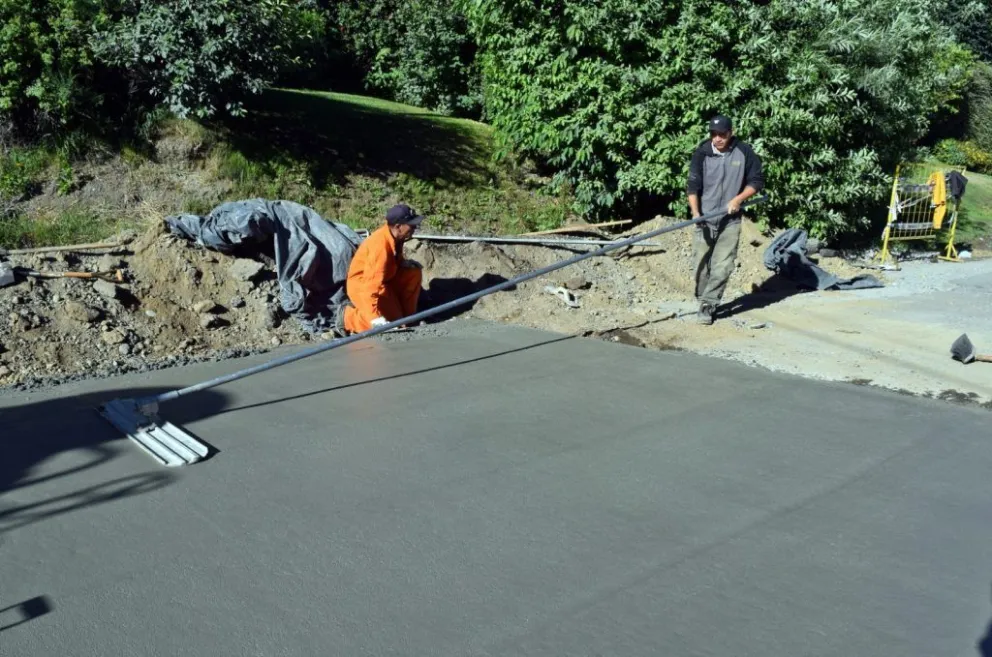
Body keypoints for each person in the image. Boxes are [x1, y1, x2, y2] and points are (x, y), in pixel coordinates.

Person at [686, 115, 764, 325]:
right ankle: (703, 296)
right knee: (700, 265)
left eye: (722, 134)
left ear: (730, 133)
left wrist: (738, 199)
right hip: (705, 218)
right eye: (714, 134)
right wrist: (696, 213)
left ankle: (708, 305)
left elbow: (756, 181)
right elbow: (692, 186)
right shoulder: (702, 153)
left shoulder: (744, 152)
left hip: (730, 220)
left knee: (723, 266)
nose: (717, 138)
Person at [341, 203, 426, 335]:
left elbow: (392, 261)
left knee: (413, 273)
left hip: (384, 280)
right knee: (387, 324)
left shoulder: (397, 236)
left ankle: (408, 318)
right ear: (398, 226)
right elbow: (370, 287)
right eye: (411, 225)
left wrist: (402, 263)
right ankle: (348, 318)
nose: (415, 228)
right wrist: (375, 319)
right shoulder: (380, 248)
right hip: (362, 286)